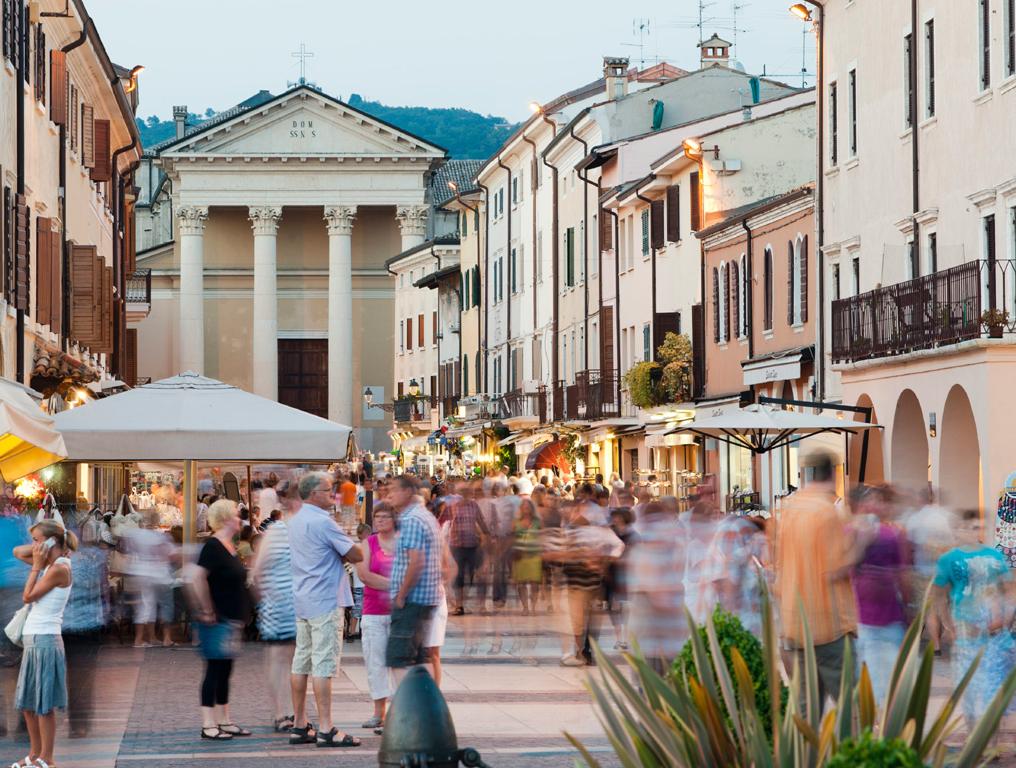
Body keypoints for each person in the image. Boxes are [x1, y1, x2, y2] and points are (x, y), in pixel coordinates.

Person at [774, 451, 858, 708]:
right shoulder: (829, 512)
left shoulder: (787, 511)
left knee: (805, 708)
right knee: (850, 706)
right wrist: (859, 547)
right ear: (833, 473)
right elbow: (835, 569)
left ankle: (806, 750)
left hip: (796, 624)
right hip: (827, 623)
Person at [287, 471, 363, 749]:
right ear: (313, 493)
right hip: (326, 598)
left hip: (303, 597)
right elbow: (357, 554)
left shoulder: (294, 521)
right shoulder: (323, 522)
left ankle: (298, 723)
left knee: (301, 661)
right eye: (329, 490)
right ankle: (327, 727)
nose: (334, 495)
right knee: (323, 663)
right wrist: (344, 548)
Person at [931, 508, 1016, 729]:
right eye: (969, 527)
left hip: (993, 630)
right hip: (964, 629)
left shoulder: (994, 556)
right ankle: (972, 735)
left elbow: (1009, 590)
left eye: (978, 527)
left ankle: (992, 740)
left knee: (992, 685)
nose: (973, 532)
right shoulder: (948, 559)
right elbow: (938, 596)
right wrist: (949, 627)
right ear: (958, 530)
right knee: (967, 685)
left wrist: (1004, 621)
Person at [10, 521, 77, 768]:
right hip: (34, 640)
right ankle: (34, 754)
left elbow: (28, 596)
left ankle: (47, 758)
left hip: (45, 640)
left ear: (51, 543)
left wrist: (36, 566)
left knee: (42, 705)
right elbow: (18, 552)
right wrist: (41, 551)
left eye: (38, 540)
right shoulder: (51, 564)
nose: (34, 546)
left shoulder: (59, 569)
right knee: (28, 704)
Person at [189, 499, 251, 742]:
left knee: (225, 669)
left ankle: (224, 719)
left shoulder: (229, 545)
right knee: (214, 670)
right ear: (226, 519)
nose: (240, 519)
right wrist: (206, 609)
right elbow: (196, 577)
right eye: (237, 515)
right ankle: (208, 723)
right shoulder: (213, 546)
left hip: (231, 618)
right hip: (217, 620)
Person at [386, 476, 442, 678]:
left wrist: (401, 595)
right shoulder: (425, 516)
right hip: (425, 597)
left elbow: (416, 561)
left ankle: (408, 707)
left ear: (408, 492)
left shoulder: (411, 520)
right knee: (420, 657)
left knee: (399, 658)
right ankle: (425, 704)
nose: (389, 494)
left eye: (394, 489)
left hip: (412, 600)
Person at [250, 500, 298, 733]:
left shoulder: (300, 529)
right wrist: (269, 599)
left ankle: (290, 711)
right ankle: (281, 712)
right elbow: (258, 569)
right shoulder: (278, 531)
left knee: (290, 662)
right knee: (279, 660)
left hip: (293, 606)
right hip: (279, 606)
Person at [356, 504, 396, 732]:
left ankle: (397, 713)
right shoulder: (368, 543)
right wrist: (395, 585)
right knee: (375, 663)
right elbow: (364, 575)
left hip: (398, 612)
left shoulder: (402, 542)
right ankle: (378, 712)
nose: (380, 521)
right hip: (373, 612)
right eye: (377, 517)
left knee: (399, 664)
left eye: (385, 516)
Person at [124, 508, 176, 648]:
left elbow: (129, 548)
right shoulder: (161, 537)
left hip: (141, 573)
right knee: (163, 604)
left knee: (146, 606)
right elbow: (170, 555)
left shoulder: (136, 535)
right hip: (159, 575)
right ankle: (153, 639)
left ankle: (146, 638)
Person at [448, 480, 489, 615]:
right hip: (456, 545)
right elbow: (444, 522)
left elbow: (481, 520)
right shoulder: (451, 506)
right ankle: (459, 605)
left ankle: (480, 605)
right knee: (458, 576)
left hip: (472, 545)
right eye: (462, 492)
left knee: (474, 575)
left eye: (467, 492)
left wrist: (487, 534)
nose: (465, 494)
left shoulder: (473, 505)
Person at [512, 499, 542, 615]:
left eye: (528, 507)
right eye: (523, 507)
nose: (526, 509)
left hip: (535, 555)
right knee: (521, 583)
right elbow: (512, 538)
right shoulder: (516, 522)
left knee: (535, 583)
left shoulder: (537, 522)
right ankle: (525, 607)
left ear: (531, 509)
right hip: (520, 555)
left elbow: (543, 536)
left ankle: (533, 606)